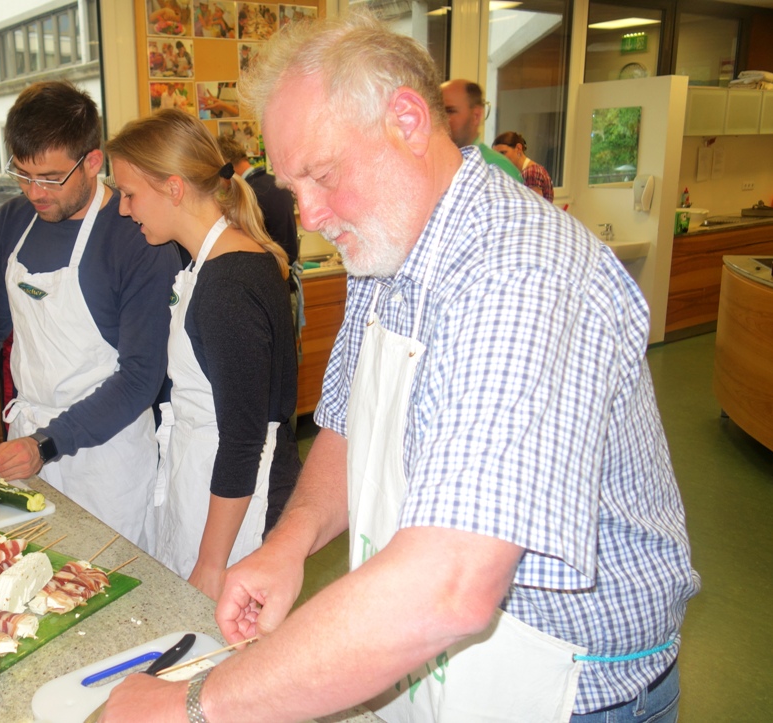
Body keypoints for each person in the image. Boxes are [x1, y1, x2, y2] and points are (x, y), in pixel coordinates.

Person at [98, 12, 699, 723]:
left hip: (569, 691)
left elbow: (449, 586)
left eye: (323, 174)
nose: (312, 215)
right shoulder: (385, 250)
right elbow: (352, 424)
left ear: (409, 121)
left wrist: (192, 706)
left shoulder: (521, 273)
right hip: (436, 664)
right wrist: (288, 546)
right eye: (295, 187)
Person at [0, 81, 180, 553]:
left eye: (51, 178)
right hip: (28, 441)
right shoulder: (11, 222)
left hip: (107, 457)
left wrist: (48, 443)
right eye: (22, 174)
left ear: (93, 162)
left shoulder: (136, 236)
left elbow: (141, 376)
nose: (34, 192)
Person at [106, 109, 301, 602]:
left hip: (239, 513)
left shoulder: (229, 286)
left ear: (173, 188)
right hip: (203, 484)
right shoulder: (206, 265)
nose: (125, 210)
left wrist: (212, 565)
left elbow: (243, 440)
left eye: (129, 194)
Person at [216, 132, 305, 357]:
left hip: (266, 291)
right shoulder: (277, 185)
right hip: (285, 288)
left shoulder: (249, 195)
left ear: (225, 166)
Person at [440, 78, 522, 182]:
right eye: (437, 112)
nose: (440, 119)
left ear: (476, 116)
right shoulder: (438, 165)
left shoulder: (496, 169)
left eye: (450, 111)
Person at [493, 130, 555, 202]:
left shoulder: (531, 172)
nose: (499, 158)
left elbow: (533, 208)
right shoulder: (521, 172)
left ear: (518, 148)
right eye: (497, 155)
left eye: (503, 153)